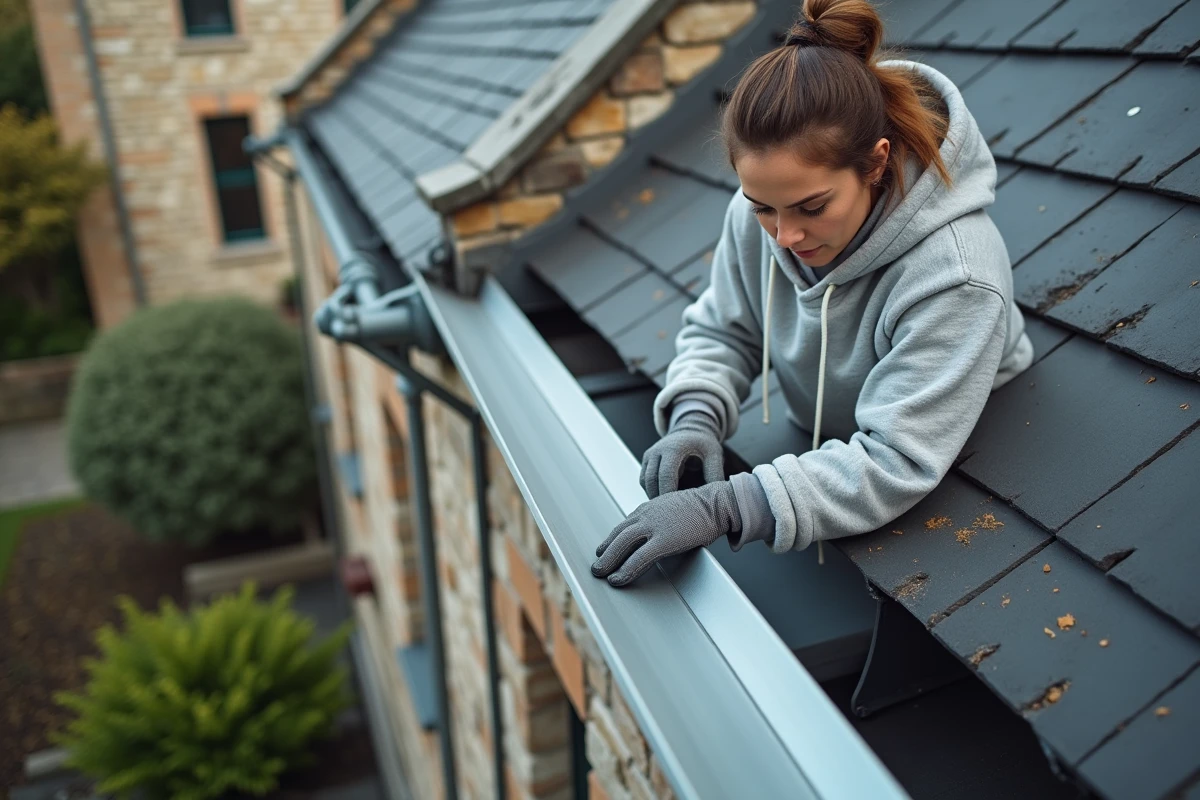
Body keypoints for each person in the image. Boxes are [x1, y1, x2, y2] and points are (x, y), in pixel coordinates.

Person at [591, 0, 1034, 588]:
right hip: (827, 459)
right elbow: (725, 329)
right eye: (763, 208)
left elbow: (896, 459)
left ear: (875, 163)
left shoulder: (956, 277)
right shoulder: (764, 214)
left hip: (959, 478)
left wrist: (724, 507)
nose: (785, 236)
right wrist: (694, 416)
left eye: (812, 207)